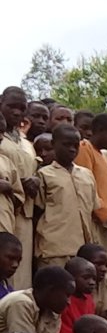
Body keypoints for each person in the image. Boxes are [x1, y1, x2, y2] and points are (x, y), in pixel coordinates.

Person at [33, 124, 100, 269]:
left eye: (75, 145)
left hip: (83, 249)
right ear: (53, 144)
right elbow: (38, 210)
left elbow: (93, 211)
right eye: (66, 145)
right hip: (54, 249)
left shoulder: (87, 175)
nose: (72, 149)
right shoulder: (44, 174)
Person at [0, 88, 39, 289]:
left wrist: (34, 181)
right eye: (11, 106)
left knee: (19, 268)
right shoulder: (1, 138)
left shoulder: (26, 142)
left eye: (22, 108)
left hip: (24, 212)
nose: (17, 112)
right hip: (4, 210)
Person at [0, 265, 74, 333]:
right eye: (67, 295)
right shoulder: (20, 303)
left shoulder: (53, 312)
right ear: (50, 291)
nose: (69, 302)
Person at [56, 257, 97, 333]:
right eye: (86, 278)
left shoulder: (89, 299)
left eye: (94, 278)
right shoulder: (64, 303)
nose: (92, 282)